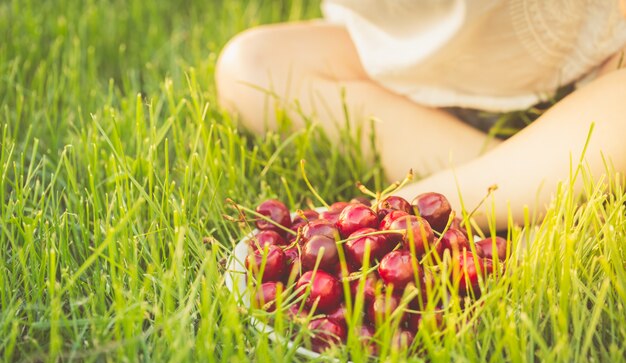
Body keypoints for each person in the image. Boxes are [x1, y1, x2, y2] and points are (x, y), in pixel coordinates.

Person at [215, 0, 626, 230]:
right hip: (413, 77)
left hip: (595, 67)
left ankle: (400, 212)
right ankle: (532, 182)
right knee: (251, 68)